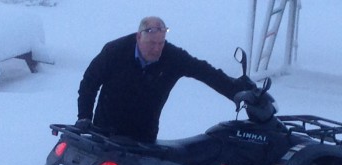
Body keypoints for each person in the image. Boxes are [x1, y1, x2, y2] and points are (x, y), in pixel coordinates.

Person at [75, 16, 254, 143]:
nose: (157, 49)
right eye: (152, 43)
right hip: (106, 131)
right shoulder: (115, 51)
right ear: (138, 37)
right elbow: (89, 83)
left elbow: (205, 71)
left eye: (161, 43)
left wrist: (236, 91)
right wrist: (84, 116)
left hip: (143, 135)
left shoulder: (172, 57)